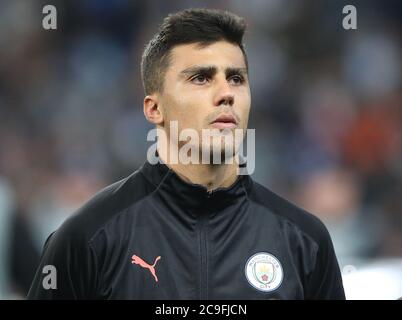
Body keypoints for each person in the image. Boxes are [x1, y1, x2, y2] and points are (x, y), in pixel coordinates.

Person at [27, 8, 345, 299]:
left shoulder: (305, 242)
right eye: (201, 78)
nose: (226, 94)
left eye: (236, 78)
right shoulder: (88, 237)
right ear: (154, 108)